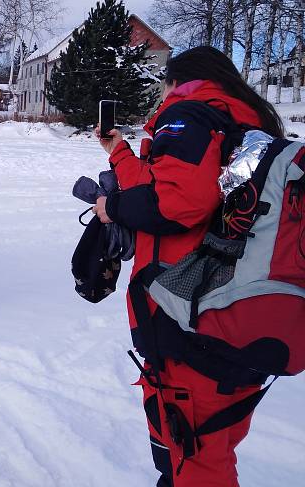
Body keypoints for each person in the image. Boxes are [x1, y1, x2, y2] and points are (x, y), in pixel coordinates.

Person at [92, 45, 285, 487]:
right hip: (241, 313)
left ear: (178, 80)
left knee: (196, 462)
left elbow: (176, 202)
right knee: (205, 449)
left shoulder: (190, 112)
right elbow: (169, 182)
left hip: (187, 318)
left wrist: (113, 207)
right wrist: (119, 152)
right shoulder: (245, 125)